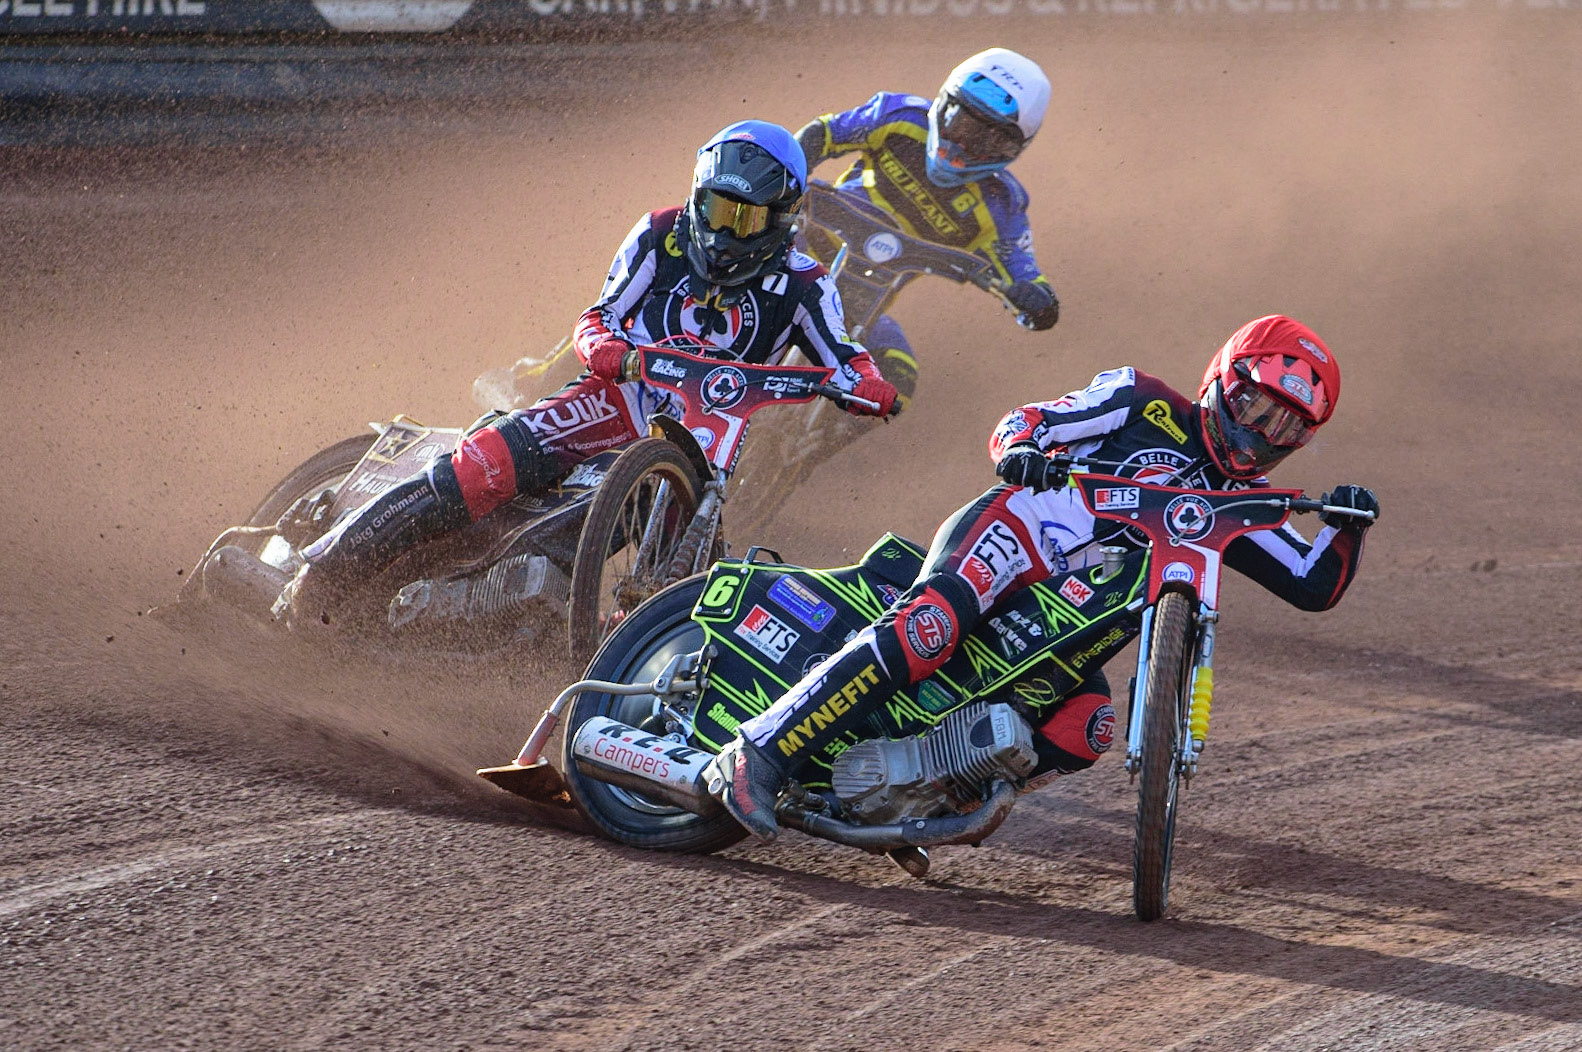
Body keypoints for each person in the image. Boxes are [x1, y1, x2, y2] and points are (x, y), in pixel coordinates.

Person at [706, 315, 1381, 841]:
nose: (1261, 435)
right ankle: (757, 753)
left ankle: (920, 797)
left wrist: (1347, 524)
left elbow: (1312, 584)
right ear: (1222, 381)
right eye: (1256, 408)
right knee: (927, 628)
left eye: (1285, 428)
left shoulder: (1244, 507)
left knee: (1088, 727)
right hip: (1019, 535)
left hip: (1072, 621)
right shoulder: (1141, 399)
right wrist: (1022, 449)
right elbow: (1028, 420)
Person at [284, 120, 898, 625]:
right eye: (714, 209)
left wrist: (867, 386)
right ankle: (319, 577)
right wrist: (608, 350)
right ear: (696, 195)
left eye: (743, 219)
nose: (722, 230)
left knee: (688, 562)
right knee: (483, 463)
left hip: (705, 437)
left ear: (783, 217)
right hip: (617, 397)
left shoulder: (806, 283)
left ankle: (589, 637)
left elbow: (845, 354)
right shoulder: (660, 234)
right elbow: (598, 317)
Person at [794, 47, 1061, 411]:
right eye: (960, 124)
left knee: (899, 378)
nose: (960, 148)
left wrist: (1037, 300)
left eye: (986, 142)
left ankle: (799, 445)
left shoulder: (1002, 206)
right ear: (943, 102)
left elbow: (1024, 272)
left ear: (1013, 149)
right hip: (801, 247)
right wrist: (784, 174)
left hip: (859, 308)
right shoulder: (900, 115)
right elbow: (822, 134)